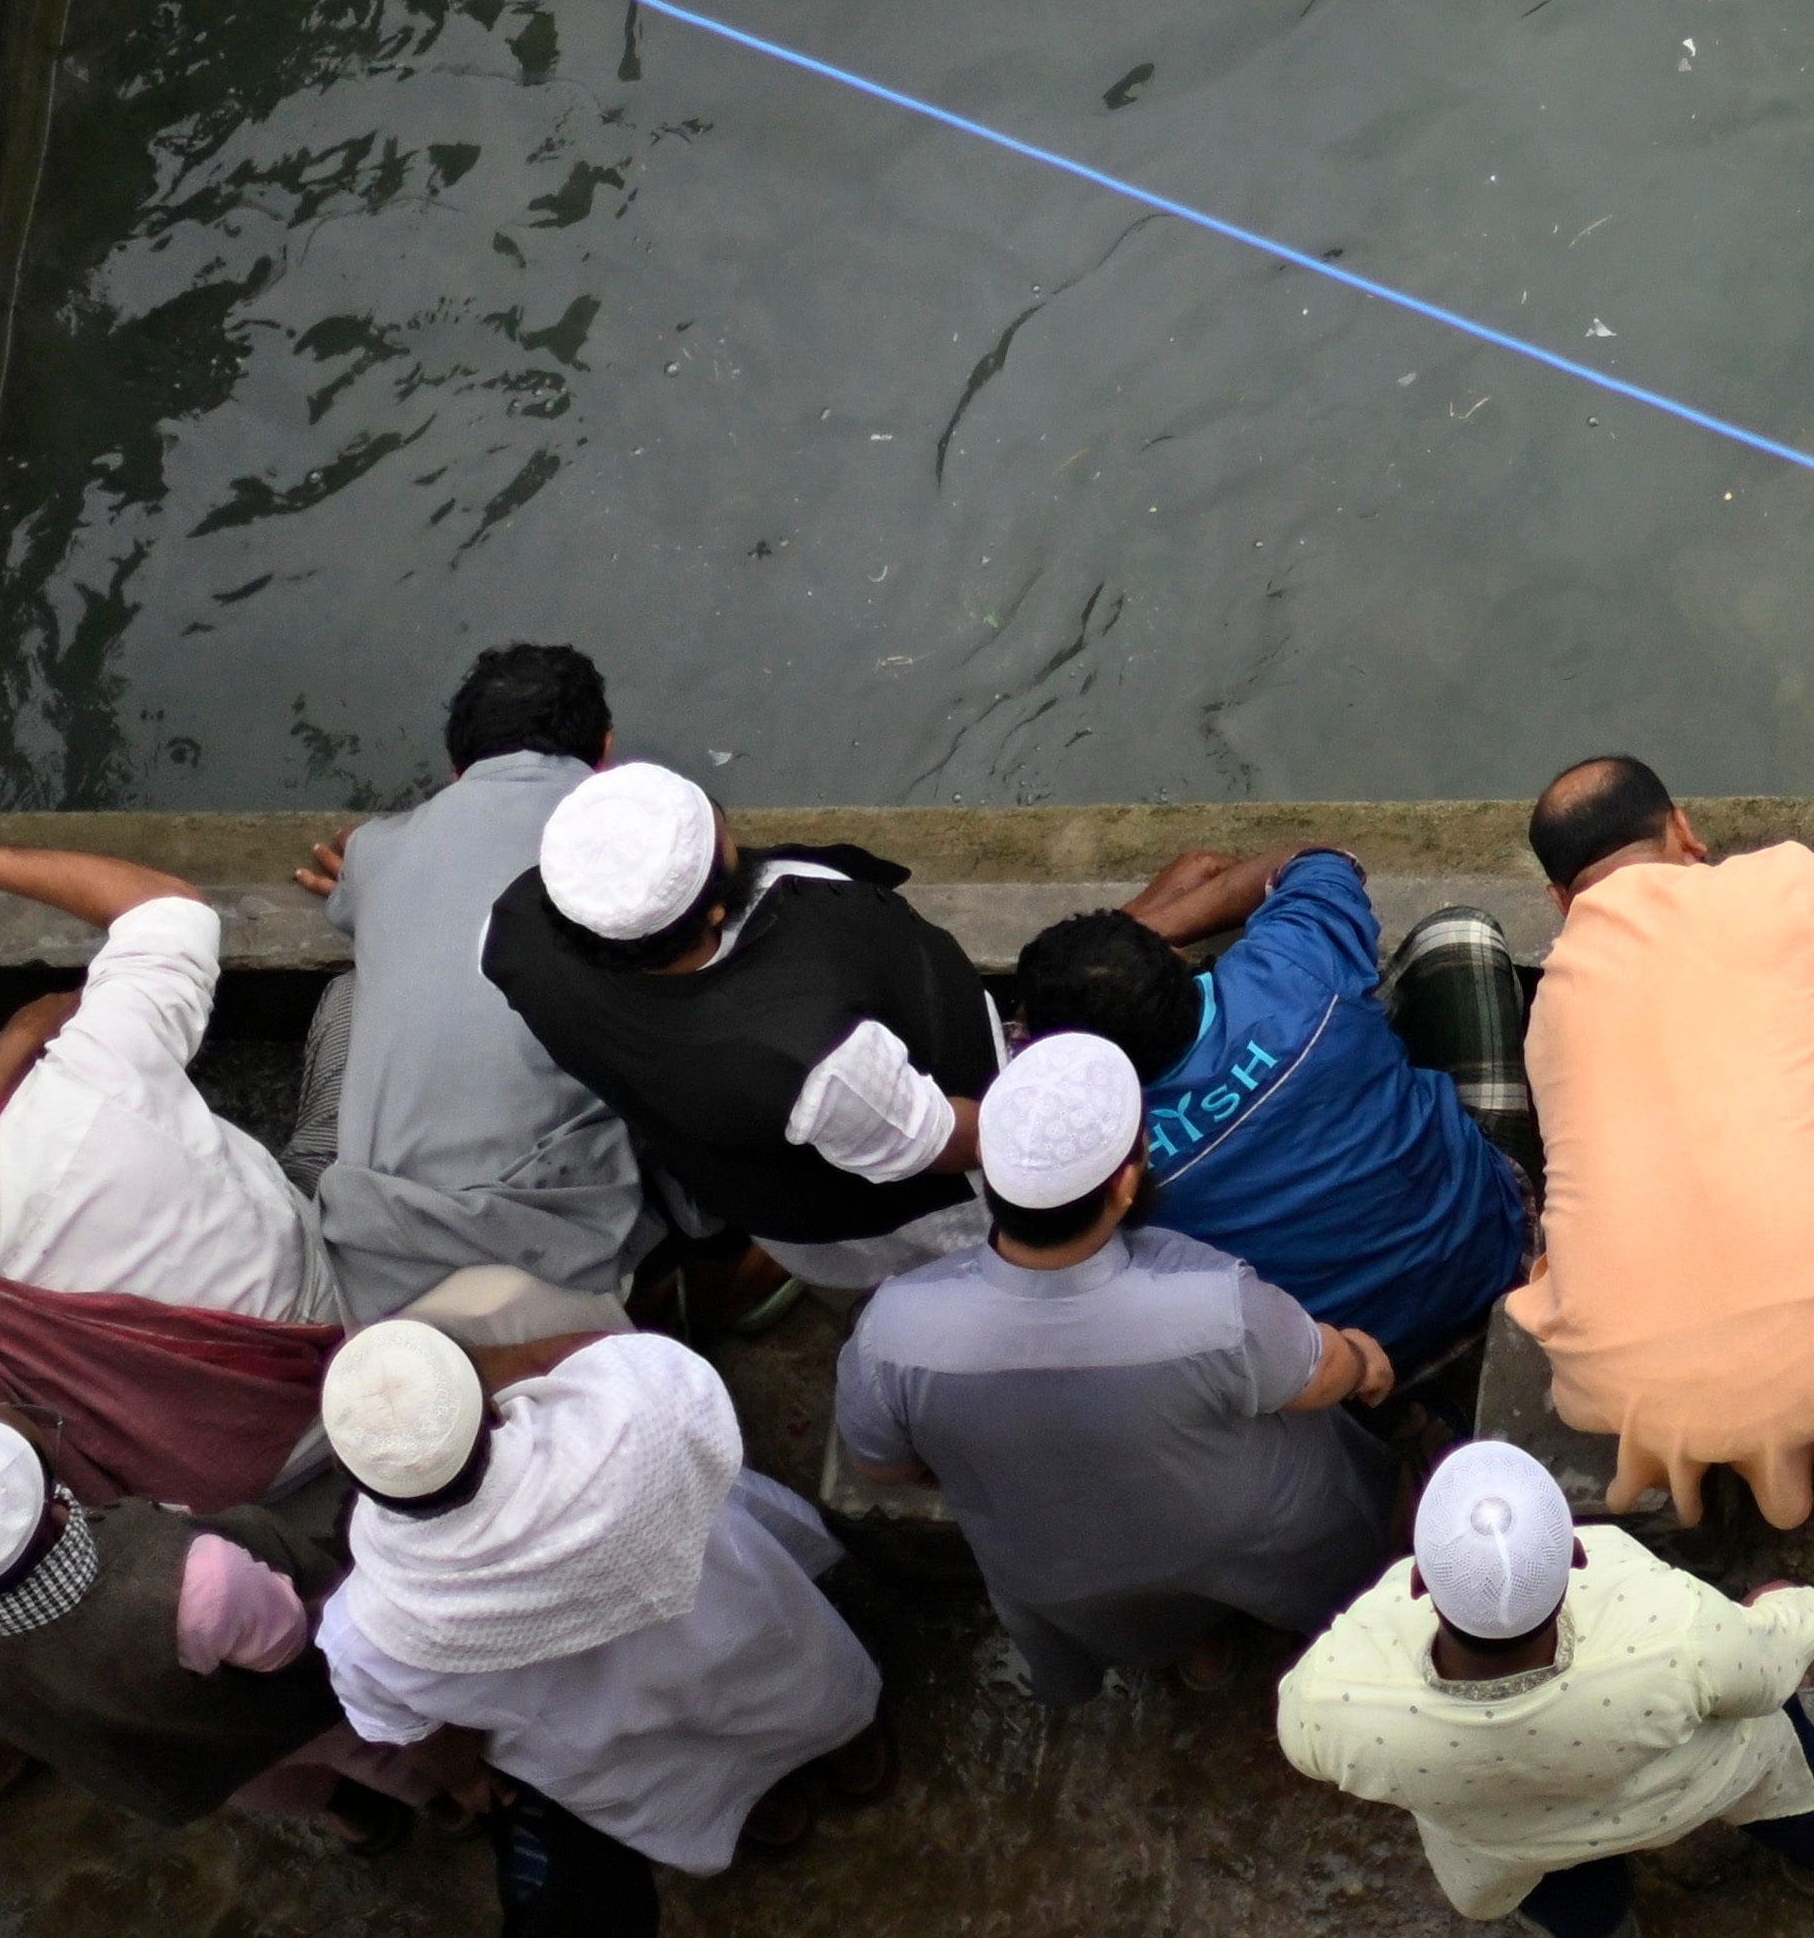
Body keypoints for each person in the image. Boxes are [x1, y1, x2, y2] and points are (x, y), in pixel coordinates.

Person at [824, 1031, 1395, 1701]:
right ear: (1125, 1184)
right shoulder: (1212, 1304)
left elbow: (883, 1465)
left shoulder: (892, 1330)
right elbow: (1317, 1377)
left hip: (1062, 1563)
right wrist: (1362, 1357)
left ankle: (1202, 1653)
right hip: (1242, 1531)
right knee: (1310, 1549)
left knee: (1138, 1617)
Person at [1509, 754, 1814, 1524]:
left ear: (1561, 899)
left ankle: (1767, 1454)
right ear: (1684, 830)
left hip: (1621, 1384)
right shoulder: (1782, 885)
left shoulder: (1549, 1009)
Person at [0, 837, 342, 1488]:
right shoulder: (85, 1090)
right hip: (338, 1317)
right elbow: (171, 906)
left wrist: (10, 1049)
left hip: (230, 1479)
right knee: (350, 997)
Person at [311, 1316, 881, 1915]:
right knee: (806, 1693)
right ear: (492, 1408)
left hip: (615, 1740)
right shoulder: (630, 1416)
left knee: (698, 1782)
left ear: (349, 1477)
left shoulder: (364, 1635)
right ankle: (854, 1756)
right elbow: (602, 1347)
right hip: (742, 1636)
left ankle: (774, 1813)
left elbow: (427, 1740)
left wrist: (464, 1781)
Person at [1277, 1438, 1814, 1930]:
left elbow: (1298, 1729)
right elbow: (1765, 1676)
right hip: (1683, 1791)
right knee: (1782, 1747)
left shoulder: (1336, 1702)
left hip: (1510, 1841)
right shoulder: (1671, 1630)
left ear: (1417, 1584)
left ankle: (1604, 1928)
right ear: (1574, 1554)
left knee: (1556, 1890)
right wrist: (1795, 1610)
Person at [994, 842, 1529, 1387]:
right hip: (1497, 1256)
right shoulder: (1290, 966)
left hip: (1337, 1367)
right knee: (1457, 935)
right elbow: (1322, 858)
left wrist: (1098, 970)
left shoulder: (1095, 1157)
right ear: (1176, 958)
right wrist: (1128, 946)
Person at [476, 755, 999, 1298]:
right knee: (942, 1275)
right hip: (892, 1206)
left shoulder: (511, 935)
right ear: (714, 912)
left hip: (759, 1187)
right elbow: (940, 1141)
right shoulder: (814, 1056)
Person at [294, 639, 658, 1318]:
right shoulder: (639, 842)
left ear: (455, 770)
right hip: (564, 1236)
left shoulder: (376, 847)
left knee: (349, 991)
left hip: (376, 1251)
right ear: (606, 752)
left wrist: (374, 872)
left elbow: (355, 903)